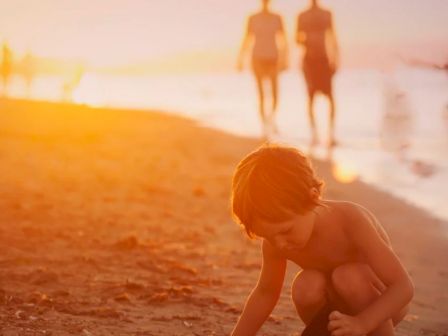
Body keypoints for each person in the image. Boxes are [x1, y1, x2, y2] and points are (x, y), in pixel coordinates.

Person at [230, 144, 413, 335]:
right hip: (335, 310)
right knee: (305, 285)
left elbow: (402, 287)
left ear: (312, 197)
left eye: (285, 231)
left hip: (383, 307)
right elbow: (265, 294)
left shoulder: (350, 221)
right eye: (267, 236)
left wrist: (363, 323)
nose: (279, 244)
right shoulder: (277, 240)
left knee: (348, 276)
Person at [238, 0, 288, 138]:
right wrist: (240, 58)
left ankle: (271, 119)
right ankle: (264, 125)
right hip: (257, 58)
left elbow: (283, 40)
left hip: (273, 58)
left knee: (275, 93)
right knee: (261, 94)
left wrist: (285, 59)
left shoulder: (277, 18)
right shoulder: (253, 18)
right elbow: (247, 38)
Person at [296, 0, 339, 146]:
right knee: (311, 97)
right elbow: (296, 38)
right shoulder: (302, 16)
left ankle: (331, 134)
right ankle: (314, 134)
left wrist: (336, 59)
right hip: (309, 60)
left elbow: (332, 37)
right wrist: (308, 41)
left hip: (323, 58)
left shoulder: (326, 14)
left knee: (330, 98)